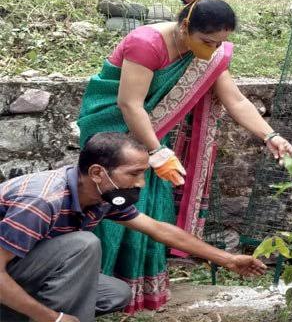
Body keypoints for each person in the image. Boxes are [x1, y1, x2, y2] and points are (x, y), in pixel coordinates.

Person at [77, 0, 292, 313]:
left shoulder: (207, 54)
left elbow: (235, 100)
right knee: (109, 205)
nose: (215, 49)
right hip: (112, 130)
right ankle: (88, 291)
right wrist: (157, 152)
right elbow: (130, 104)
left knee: (151, 205)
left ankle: (132, 296)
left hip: (150, 136)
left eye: (220, 42)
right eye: (208, 41)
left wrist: (271, 135)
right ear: (184, 29)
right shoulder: (147, 43)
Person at [0, 132, 267, 322]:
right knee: (82, 245)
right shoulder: (41, 201)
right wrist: (53, 318)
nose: (140, 183)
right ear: (97, 172)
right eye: (133, 173)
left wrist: (227, 259)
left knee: (115, 294)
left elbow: (158, 229)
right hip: (6, 270)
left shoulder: (101, 195)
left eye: (143, 174)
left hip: (23, 269)